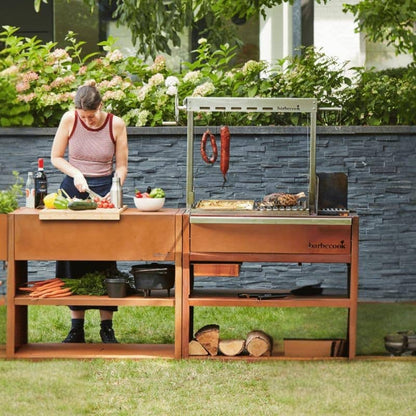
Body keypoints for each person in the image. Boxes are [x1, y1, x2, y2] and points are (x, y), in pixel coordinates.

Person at [51, 81, 128, 344]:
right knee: (72, 255)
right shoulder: (69, 119)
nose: (89, 121)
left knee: (105, 256)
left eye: (92, 115)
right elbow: (56, 157)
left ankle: (107, 327)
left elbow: (121, 166)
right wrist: (76, 174)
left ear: (101, 106)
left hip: (104, 191)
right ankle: (76, 328)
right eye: (84, 116)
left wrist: (115, 189)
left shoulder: (116, 124)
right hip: (73, 189)